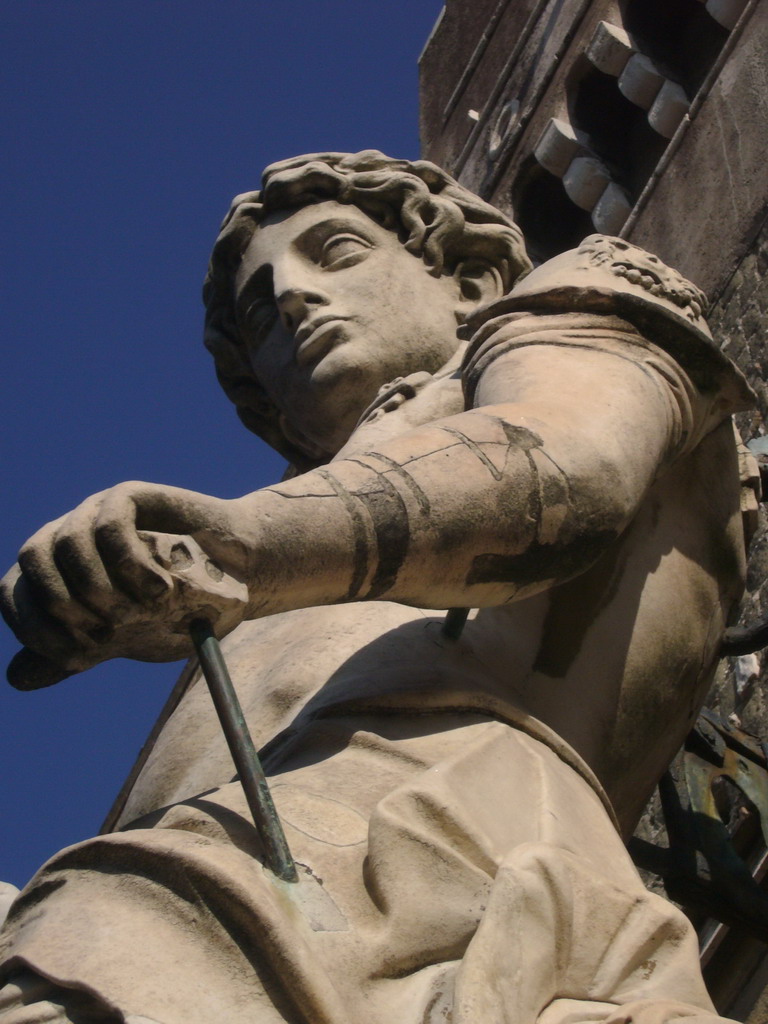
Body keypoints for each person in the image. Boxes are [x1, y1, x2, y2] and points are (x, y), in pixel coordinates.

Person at [0, 150, 755, 1024]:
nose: (289, 296)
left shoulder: (578, 307)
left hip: (433, 847)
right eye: (259, 310)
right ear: (275, 407)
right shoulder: (287, 548)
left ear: (469, 281)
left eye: (336, 251)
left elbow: (566, 468)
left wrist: (246, 545)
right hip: (191, 888)